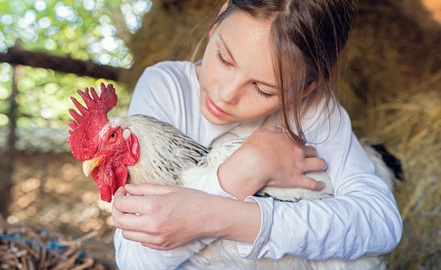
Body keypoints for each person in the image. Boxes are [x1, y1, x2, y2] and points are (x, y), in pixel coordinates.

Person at [111, 0, 403, 269]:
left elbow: (381, 223)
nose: (225, 94)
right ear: (217, 21)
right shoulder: (167, 87)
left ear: (305, 91)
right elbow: (135, 260)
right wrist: (239, 175)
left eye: (263, 89)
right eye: (224, 59)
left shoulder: (317, 109)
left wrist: (218, 217)